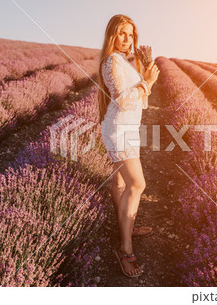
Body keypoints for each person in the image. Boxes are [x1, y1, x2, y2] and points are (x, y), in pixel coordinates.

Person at [97, 14, 160, 278]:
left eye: (131, 34)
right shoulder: (111, 61)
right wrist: (147, 83)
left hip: (128, 127)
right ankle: (125, 249)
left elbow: (139, 102)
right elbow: (123, 100)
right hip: (119, 129)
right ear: (112, 34)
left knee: (121, 184)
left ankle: (126, 225)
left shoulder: (124, 61)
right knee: (137, 184)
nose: (127, 39)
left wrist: (144, 77)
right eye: (122, 33)